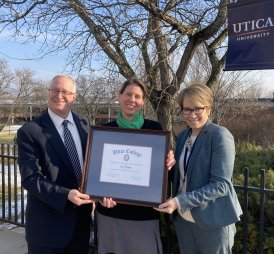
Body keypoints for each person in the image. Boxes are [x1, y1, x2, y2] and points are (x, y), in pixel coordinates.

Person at [156, 83, 243, 254]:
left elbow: (220, 185)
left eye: (198, 109)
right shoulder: (183, 136)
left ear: (208, 108)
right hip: (184, 220)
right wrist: (167, 166)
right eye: (187, 109)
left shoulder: (219, 135)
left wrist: (180, 201)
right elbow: (182, 175)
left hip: (212, 222)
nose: (192, 115)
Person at [95, 78, 175, 254]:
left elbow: (165, 176)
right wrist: (99, 194)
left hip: (143, 216)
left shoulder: (154, 129)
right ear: (119, 96)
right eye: (128, 94)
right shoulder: (104, 131)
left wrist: (169, 164)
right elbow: (96, 174)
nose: (132, 99)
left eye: (137, 96)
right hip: (111, 213)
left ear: (143, 101)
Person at [16, 74, 93, 254]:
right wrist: (66, 195)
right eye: (54, 90)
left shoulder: (85, 124)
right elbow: (30, 178)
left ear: (74, 97)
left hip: (80, 226)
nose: (59, 95)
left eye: (65, 91)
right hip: (46, 231)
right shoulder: (30, 131)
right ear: (48, 93)